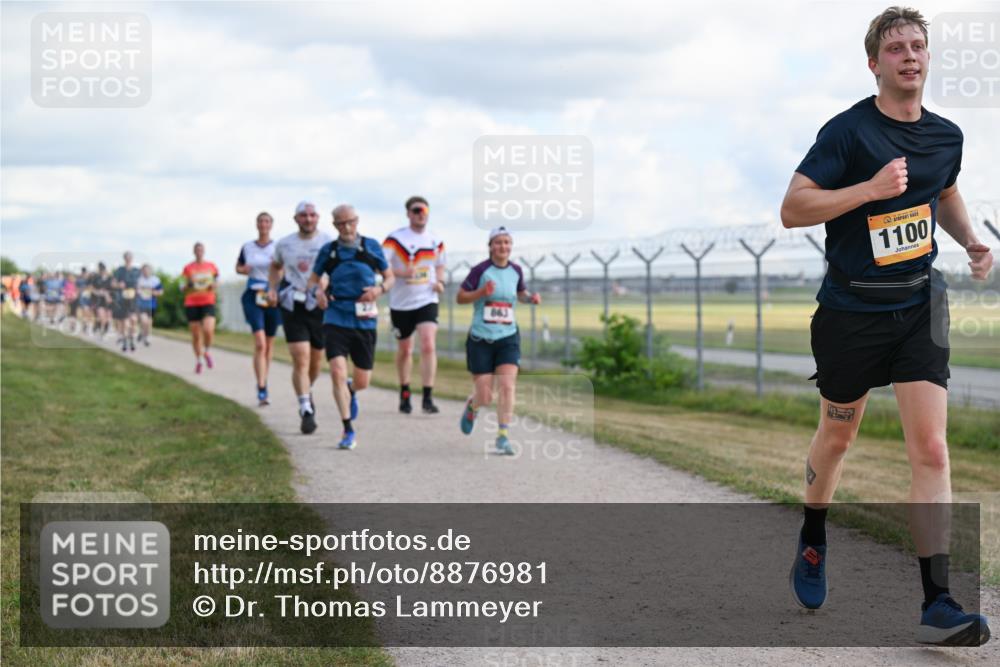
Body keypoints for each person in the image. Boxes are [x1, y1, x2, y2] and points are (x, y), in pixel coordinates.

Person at [779, 6, 992, 646]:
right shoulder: (847, 133)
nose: (909, 56)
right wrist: (869, 190)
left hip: (920, 305)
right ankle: (814, 531)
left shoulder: (946, 134)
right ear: (874, 63)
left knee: (930, 448)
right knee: (837, 439)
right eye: (895, 47)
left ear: (927, 57)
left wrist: (972, 241)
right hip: (851, 314)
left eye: (917, 46)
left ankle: (938, 601)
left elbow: (943, 188)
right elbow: (793, 208)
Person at [307, 204, 393, 450]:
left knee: (363, 380)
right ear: (334, 225)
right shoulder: (329, 251)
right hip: (336, 316)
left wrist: (379, 290)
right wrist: (318, 293)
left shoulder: (371, 246)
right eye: (341, 223)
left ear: (357, 221)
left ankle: (351, 390)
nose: (346, 227)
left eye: (350, 222)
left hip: (364, 319)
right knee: (336, 370)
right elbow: (313, 280)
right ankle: (347, 429)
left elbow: (391, 277)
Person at [456, 227, 540, 455]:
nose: (503, 246)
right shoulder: (480, 270)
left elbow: (520, 293)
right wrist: (481, 292)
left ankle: (503, 436)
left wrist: (530, 298)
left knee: (507, 385)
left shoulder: (516, 270)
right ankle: (473, 406)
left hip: (508, 336)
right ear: (491, 246)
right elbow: (460, 297)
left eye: (506, 242)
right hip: (481, 338)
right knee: (485, 396)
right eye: (498, 242)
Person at [268, 201, 332, 434]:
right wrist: (272, 288)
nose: (308, 219)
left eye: (312, 215)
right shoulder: (285, 244)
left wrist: (327, 283)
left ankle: (307, 389)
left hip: (320, 304)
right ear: (296, 218)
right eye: (303, 215)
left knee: (316, 360)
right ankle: (305, 408)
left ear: (318, 217)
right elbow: (275, 267)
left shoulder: (328, 241)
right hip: (292, 303)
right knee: (301, 357)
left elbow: (334, 269)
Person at [382, 195, 447, 414]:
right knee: (405, 349)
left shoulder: (435, 240)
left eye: (425, 211)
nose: (421, 215)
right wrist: (401, 272)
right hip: (401, 303)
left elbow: (440, 265)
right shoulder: (395, 239)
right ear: (408, 213)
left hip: (427, 298)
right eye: (417, 210)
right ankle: (405, 391)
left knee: (428, 343)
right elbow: (381, 266)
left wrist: (440, 282)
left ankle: (428, 396)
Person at [237, 211, 281, 405]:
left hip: (271, 296)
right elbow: (238, 267)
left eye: (267, 221)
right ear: (257, 225)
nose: (263, 225)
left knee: (269, 344)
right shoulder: (248, 247)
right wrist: (243, 270)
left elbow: (285, 268)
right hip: (253, 295)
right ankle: (261, 386)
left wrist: (277, 275)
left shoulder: (278, 247)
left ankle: (265, 378)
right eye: (261, 221)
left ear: (271, 225)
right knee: (260, 343)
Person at [182, 242, 219, 373]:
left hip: (208, 301)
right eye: (197, 249)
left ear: (204, 251)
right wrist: (189, 285)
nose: (199, 252)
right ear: (194, 251)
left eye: (201, 249)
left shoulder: (211, 266)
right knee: (196, 335)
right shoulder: (188, 268)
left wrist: (214, 285)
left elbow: (216, 281)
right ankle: (199, 361)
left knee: (208, 329)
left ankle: (207, 352)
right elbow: (182, 287)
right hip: (192, 302)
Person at [113, 251, 142, 352]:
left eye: (130, 257)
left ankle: (132, 338)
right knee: (125, 322)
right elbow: (113, 283)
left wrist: (139, 289)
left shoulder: (137, 271)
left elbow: (141, 283)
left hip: (134, 299)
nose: (128, 259)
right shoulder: (119, 270)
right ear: (124, 258)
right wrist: (118, 285)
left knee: (133, 320)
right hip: (122, 299)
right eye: (127, 257)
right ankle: (125, 341)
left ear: (132, 258)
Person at [136, 264, 163, 346]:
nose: (146, 272)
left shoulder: (155, 280)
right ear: (142, 271)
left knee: (149, 322)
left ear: (151, 271)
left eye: (148, 270)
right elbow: (135, 290)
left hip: (152, 304)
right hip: (141, 303)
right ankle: (143, 333)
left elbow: (161, 292)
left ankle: (146, 336)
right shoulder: (139, 280)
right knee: (144, 320)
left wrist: (153, 292)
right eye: (144, 270)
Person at [90, 263, 113, 337]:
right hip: (99, 300)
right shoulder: (96, 278)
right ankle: (100, 330)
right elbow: (92, 289)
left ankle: (104, 330)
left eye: (103, 269)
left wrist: (108, 294)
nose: (102, 271)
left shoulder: (110, 278)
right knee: (101, 316)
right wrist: (98, 292)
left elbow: (114, 289)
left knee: (108, 318)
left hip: (108, 300)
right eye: (100, 270)